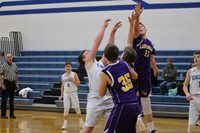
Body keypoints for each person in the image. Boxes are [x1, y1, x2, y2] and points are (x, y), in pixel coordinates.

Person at [78, 19, 122, 133]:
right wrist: (103, 27)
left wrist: (113, 32)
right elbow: (96, 43)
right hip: (95, 100)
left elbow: (109, 50)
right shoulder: (89, 64)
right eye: (86, 53)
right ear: (84, 59)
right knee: (88, 129)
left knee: (113, 128)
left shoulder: (101, 63)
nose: (90, 52)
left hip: (109, 99)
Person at [99, 44, 140, 133]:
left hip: (122, 105)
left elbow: (101, 93)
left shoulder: (105, 72)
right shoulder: (124, 63)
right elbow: (135, 76)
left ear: (104, 56)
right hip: (135, 104)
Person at [132, 3, 159, 133]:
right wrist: (137, 18)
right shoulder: (136, 40)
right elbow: (136, 29)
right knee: (134, 102)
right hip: (134, 74)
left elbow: (151, 59)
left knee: (146, 102)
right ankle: (140, 126)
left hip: (146, 75)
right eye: (139, 26)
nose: (141, 27)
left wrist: (155, 69)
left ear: (146, 29)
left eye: (143, 26)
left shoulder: (150, 44)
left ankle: (151, 129)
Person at [58, 61, 84, 129]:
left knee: (77, 108)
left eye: (69, 66)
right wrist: (61, 95)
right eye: (67, 67)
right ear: (65, 68)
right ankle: (65, 124)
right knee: (66, 108)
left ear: (71, 67)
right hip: (66, 93)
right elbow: (62, 86)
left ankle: (81, 122)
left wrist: (72, 80)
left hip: (73, 92)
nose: (68, 68)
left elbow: (78, 83)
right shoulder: (63, 76)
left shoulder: (74, 74)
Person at [183, 51, 200, 133]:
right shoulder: (190, 71)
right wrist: (187, 94)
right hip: (193, 99)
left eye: (198, 57)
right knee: (190, 128)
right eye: (195, 57)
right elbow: (185, 85)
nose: (196, 59)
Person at [0, 53, 19, 119]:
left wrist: (16, 84)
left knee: (12, 99)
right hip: (6, 82)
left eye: (10, 57)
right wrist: (1, 84)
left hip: (12, 82)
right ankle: (3, 114)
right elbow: (1, 75)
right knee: (4, 100)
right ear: (6, 58)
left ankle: (11, 114)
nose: (9, 58)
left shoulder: (14, 65)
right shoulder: (3, 65)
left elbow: (16, 74)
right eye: (8, 57)